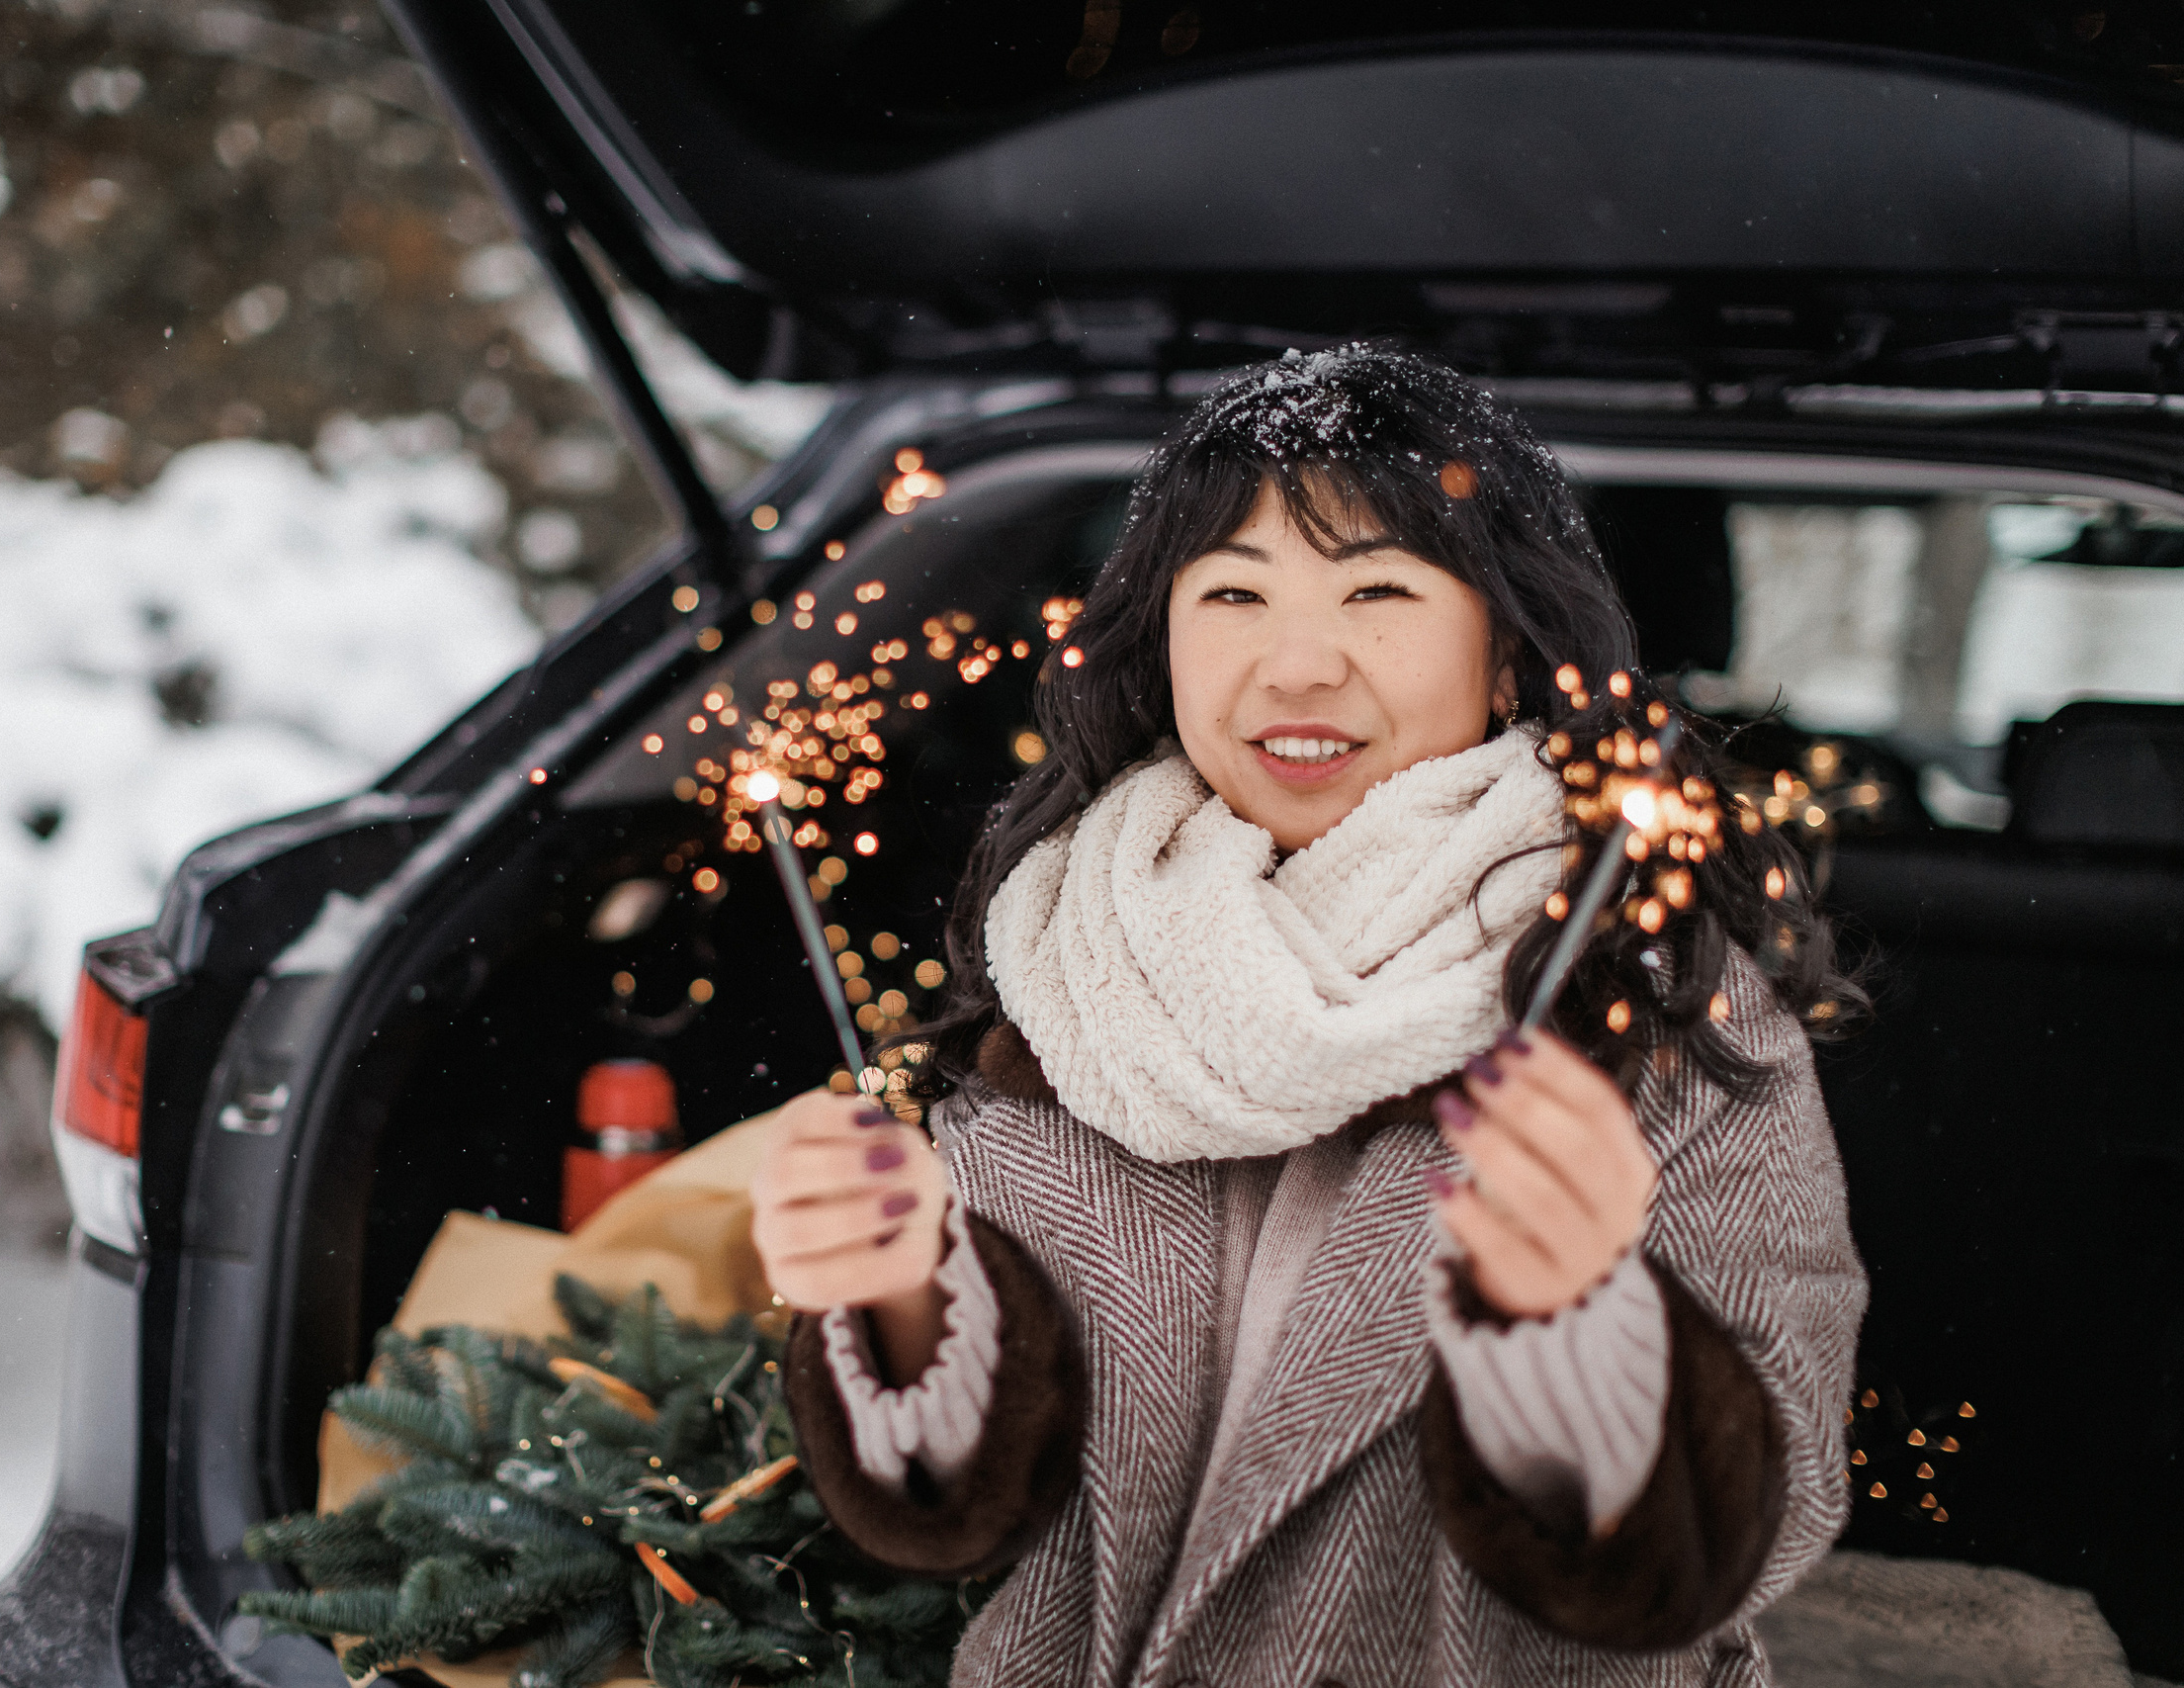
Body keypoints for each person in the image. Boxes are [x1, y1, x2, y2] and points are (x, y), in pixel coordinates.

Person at [748, 346, 1868, 1687]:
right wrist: (888, 1297)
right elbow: (969, 1511)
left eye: (1377, 590)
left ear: (1507, 649)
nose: (1293, 664)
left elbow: (1740, 1538)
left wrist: (1575, 1330)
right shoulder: (1067, 970)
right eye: (1232, 591)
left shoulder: (1657, 1005)